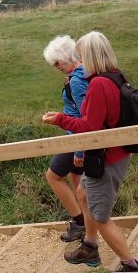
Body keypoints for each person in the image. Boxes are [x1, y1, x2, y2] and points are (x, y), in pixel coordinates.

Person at [42, 31, 138, 272]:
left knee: (100, 216)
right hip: (116, 151)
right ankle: (89, 246)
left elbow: (89, 127)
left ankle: (130, 265)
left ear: (90, 55)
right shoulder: (116, 76)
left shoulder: (97, 84)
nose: (78, 58)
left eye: (81, 54)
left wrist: (60, 120)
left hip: (106, 157)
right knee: (82, 194)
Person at [42, 35, 90, 242]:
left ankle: (80, 223)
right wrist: (61, 114)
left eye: (57, 63)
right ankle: (88, 224)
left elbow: (85, 118)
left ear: (66, 57)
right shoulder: (83, 72)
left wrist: (80, 150)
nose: (56, 67)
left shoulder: (78, 81)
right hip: (77, 137)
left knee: (52, 176)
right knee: (75, 176)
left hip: (77, 139)